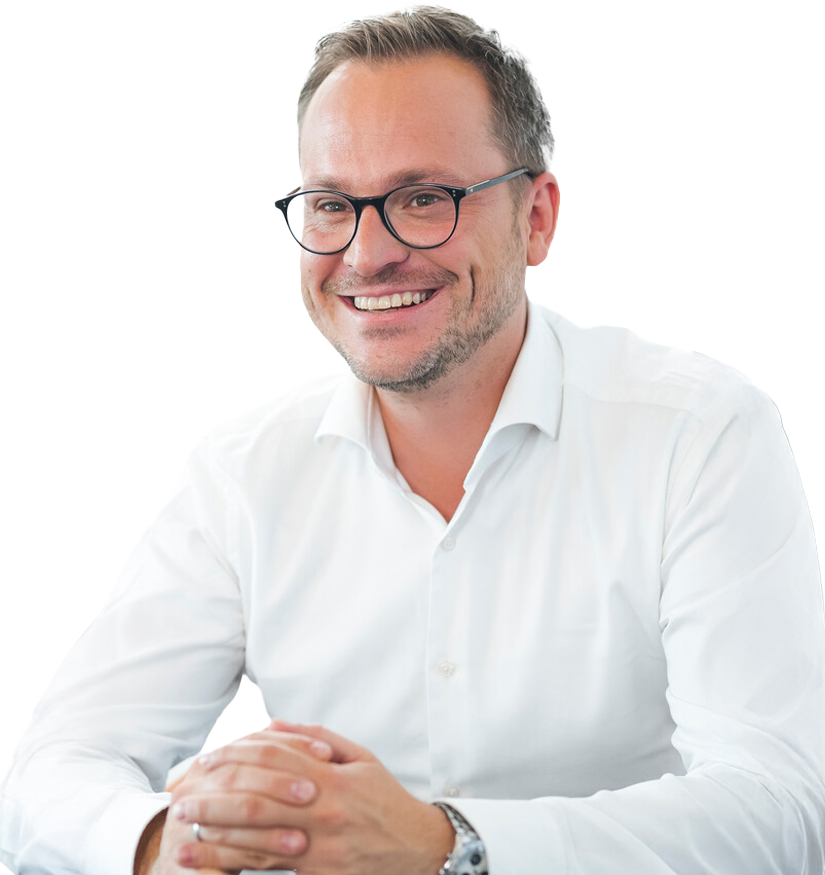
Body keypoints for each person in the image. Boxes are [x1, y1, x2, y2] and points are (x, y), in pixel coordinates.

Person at [2, 4, 825, 874]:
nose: (366, 255)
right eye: (331, 205)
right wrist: (165, 841)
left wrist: (447, 843)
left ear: (536, 217)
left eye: (423, 199)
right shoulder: (244, 463)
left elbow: (780, 810)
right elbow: (50, 770)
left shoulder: (699, 433)